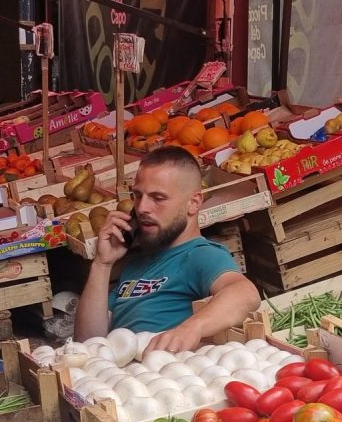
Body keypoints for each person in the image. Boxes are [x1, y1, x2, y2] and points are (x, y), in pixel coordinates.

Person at [74, 146, 260, 352]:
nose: (142, 208)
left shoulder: (200, 255)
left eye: (158, 198)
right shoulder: (137, 263)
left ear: (193, 203)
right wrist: (102, 264)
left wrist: (192, 328)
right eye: (138, 195)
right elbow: (87, 344)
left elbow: (246, 294)